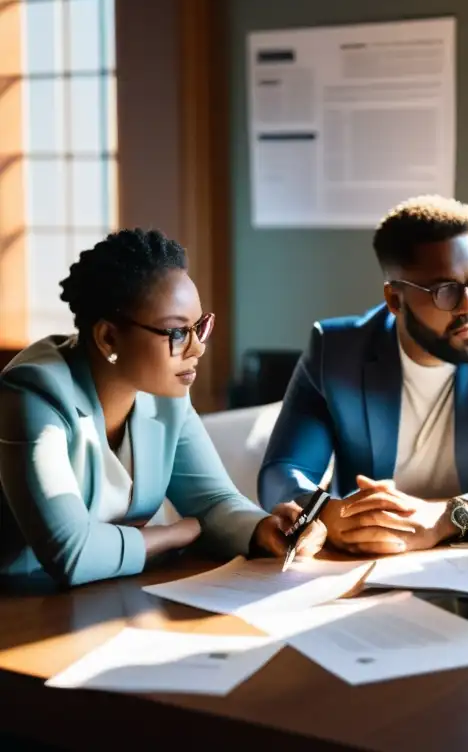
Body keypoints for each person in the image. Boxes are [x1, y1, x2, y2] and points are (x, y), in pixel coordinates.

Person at [0, 229, 325, 588]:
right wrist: (172, 536)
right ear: (108, 337)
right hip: (22, 607)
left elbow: (212, 501)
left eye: (200, 328)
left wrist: (264, 529)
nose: (197, 349)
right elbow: (71, 552)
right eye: (176, 333)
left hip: (110, 595)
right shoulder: (31, 393)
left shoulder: (167, 395)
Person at [259, 195, 468, 554]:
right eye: (446, 291)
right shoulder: (336, 352)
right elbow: (282, 471)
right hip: (365, 554)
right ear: (395, 300)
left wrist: (445, 518)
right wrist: (327, 512)